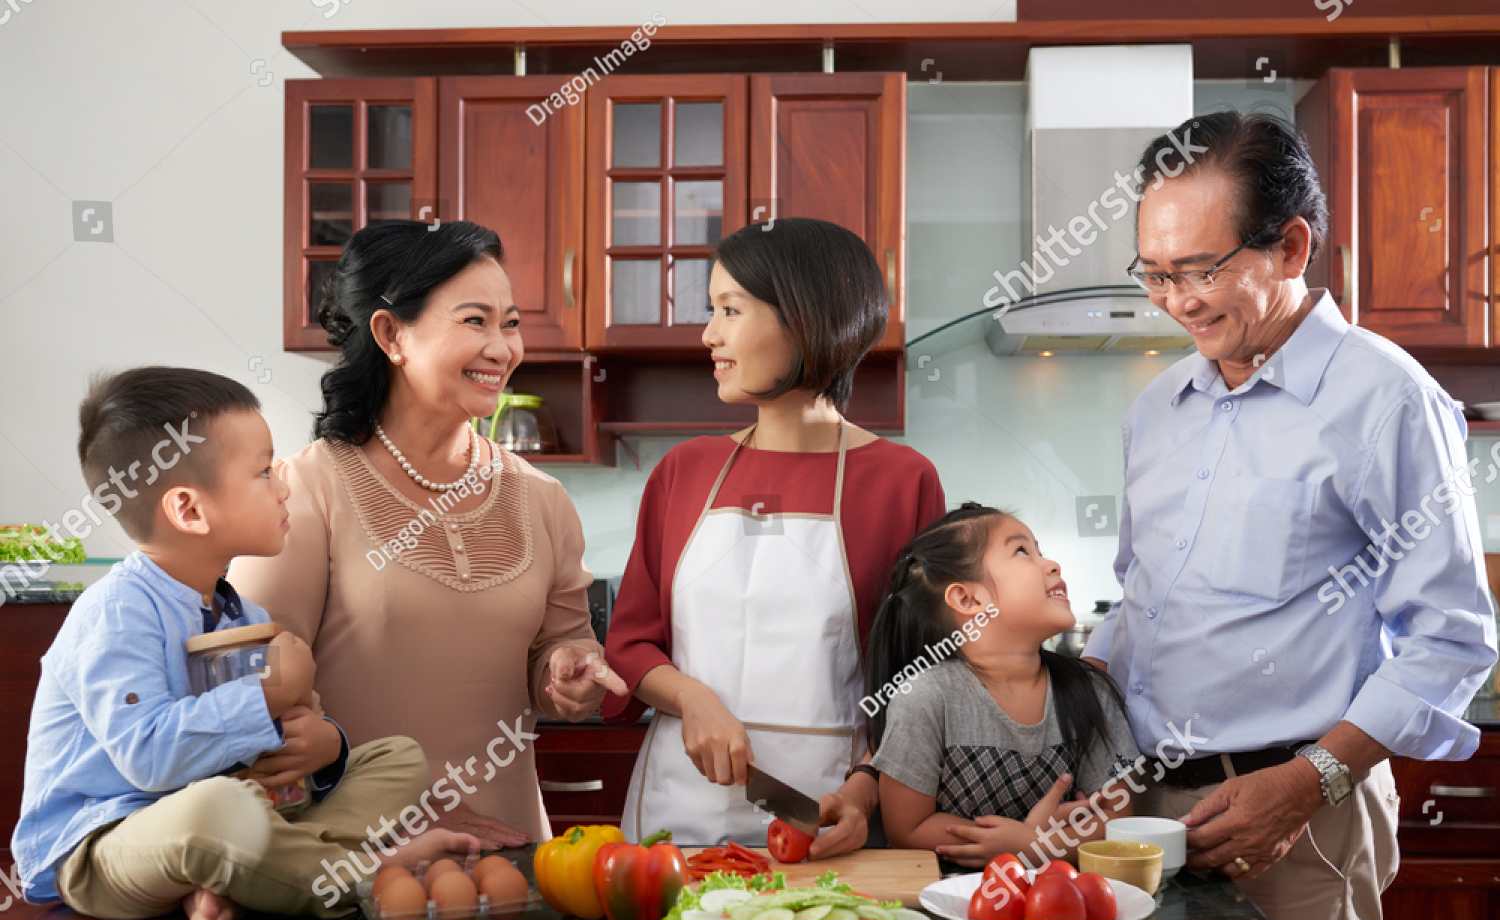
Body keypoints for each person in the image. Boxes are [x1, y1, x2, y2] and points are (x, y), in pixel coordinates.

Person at [1084, 110, 1497, 920]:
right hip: (1138, 816)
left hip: (1293, 818)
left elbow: (1451, 639)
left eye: (1202, 269)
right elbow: (1135, 602)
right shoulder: (1157, 408)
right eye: (1156, 273)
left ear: (1292, 245)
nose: (1179, 299)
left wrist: (1312, 781)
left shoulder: (1386, 399)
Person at [11, 367, 478, 920]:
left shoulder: (245, 615)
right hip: (107, 844)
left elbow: (277, 751)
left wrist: (324, 745)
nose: (283, 484)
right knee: (217, 810)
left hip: (242, 819)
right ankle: (366, 872)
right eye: (262, 471)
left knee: (399, 760)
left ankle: (242, 878)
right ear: (188, 510)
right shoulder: (113, 612)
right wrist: (268, 694)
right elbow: (149, 758)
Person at [232, 221, 626, 850]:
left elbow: (559, 656)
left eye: (511, 323)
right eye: (475, 321)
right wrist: (396, 813)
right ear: (391, 334)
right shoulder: (306, 490)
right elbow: (251, 694)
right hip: (356, 859)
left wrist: (568, 675)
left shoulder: (543, 500)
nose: (502, 348)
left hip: (515, 854)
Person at [604, 218, 946, 853]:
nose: (709, 334)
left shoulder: (904, 482)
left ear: (807, 319)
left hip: (821, 819)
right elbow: (630, 644)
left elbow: (921, 681)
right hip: (675, 824)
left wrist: (865, 789)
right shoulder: (685, 471)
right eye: (713, 311)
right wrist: (692, 697)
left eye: (730, 310)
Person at [868, 504, 1136, 868]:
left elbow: (1119, 817)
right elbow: (907, 827)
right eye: (1023, 551)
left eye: (1039, 550)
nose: (1052, 564)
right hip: (955, 903)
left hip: (1064, 902)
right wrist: (1014, 847)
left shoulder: (1089, 690)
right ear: (968, 599)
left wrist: (1035, 845)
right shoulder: (925, 697)